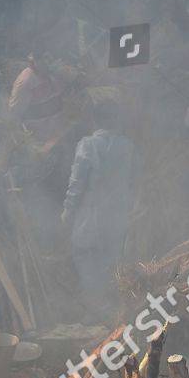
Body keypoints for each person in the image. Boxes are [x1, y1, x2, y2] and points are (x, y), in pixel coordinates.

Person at [62, 103, 136, 316]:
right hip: (117, 213)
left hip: (91, 213)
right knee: (111, 259)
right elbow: (132, 182)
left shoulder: (88, 145)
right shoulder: (128, 146)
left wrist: (67, 210)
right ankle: (111, 310)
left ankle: (97, 309)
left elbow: (76, 183)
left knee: (84, 255)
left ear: (94, 121)